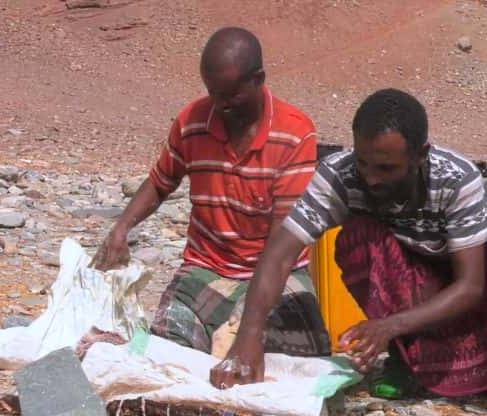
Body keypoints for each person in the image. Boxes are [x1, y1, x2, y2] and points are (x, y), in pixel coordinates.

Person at [211, 88, 487, 407]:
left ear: (420, 156)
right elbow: (280, 253)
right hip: (411, 285)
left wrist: (390, 326)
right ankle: (407, 360)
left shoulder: (456, 178)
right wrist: (248, 338)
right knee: (357, 238)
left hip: (462, 292)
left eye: (387, 168)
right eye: (363, 163)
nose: (370, 178)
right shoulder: (339, 177)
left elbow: (470, 286)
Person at [92, 27, 331, 359]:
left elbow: (282, 245)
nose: (220, 105)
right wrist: (121, 229)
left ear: (258, 79)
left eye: (231, 95)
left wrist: (250, 327)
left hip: (277, 270)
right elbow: (162, 181)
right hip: (207, 268)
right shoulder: (193, 121)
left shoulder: (294, 133)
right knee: (168, 345)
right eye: (213, 93)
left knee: (307, 351)